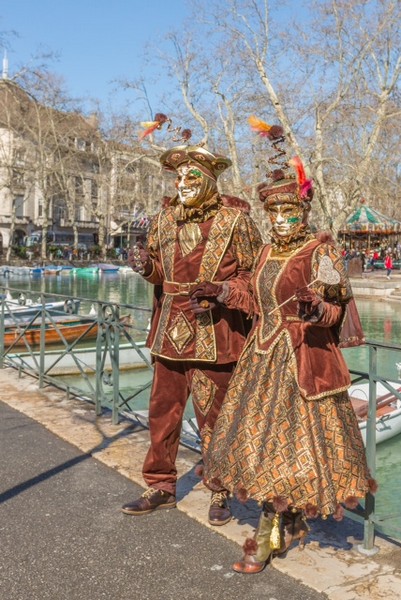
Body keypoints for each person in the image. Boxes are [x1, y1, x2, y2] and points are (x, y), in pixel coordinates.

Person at [202, 123, 374, 573]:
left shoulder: (321, 252)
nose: (279, 221)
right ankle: (287, 521)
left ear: (303, 211)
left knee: (291, 449)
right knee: (260, 447)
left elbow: (336, 312)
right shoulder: (263, 254)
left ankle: (265, 536)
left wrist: (316, 308)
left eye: (288, 213)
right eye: (273, 214)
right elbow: (254, 300)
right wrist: (222, 292)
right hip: (259, 361)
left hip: (303, 364)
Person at [121, 143, 262, 525]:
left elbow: (256, 276)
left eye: (191, 177)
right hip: (169, 333)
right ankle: (161, 486)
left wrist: (223, 292)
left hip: (214, 334)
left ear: (211, 181)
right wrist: (145, 266)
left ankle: (220, 487)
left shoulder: (237, 222)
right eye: (179, 177)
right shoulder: (164, 220)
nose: (182, 183)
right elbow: (160, 275)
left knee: (214, 418)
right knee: (161, 415)